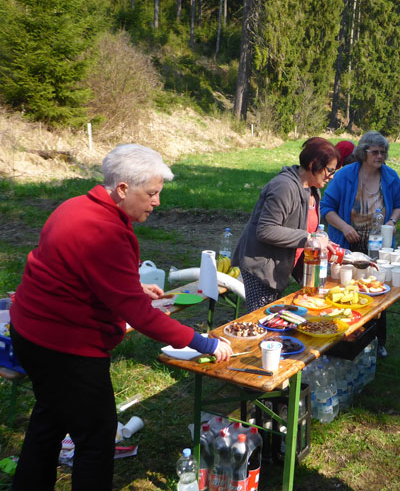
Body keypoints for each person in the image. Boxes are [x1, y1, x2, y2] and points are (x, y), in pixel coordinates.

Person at [9, 144, 233, 490]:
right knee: (96, 439)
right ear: (123, 188)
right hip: (66, 348)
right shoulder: (107, 231)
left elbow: (74, 270)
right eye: (152, 193)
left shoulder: (73, 206)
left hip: (28, 332)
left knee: (49, 419)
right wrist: (202, 342)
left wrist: (131, 286)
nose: (157, 202)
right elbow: (141, 317)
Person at [321, 131, 400, 358]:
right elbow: (326, 208)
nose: (380, 156)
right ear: (363, 153)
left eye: (383, 152)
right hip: (347, 244)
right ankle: (341, 339)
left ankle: (378, 342)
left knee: (378, 293)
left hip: (378, 246)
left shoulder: (390, 177)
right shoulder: (345, 175)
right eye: (375, 152)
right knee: (345, 291)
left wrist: (392, 221)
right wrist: (344, 228)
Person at [232, 137, 339, 313]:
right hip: (261, 268)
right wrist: (309, 238)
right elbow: (266, 230)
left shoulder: (313, 190)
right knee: (262, 320)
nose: (332, 176)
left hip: (280, 268)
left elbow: (304, 228)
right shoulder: (284, 187)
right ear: (313, 164)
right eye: (330, 170)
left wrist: (321, 241)